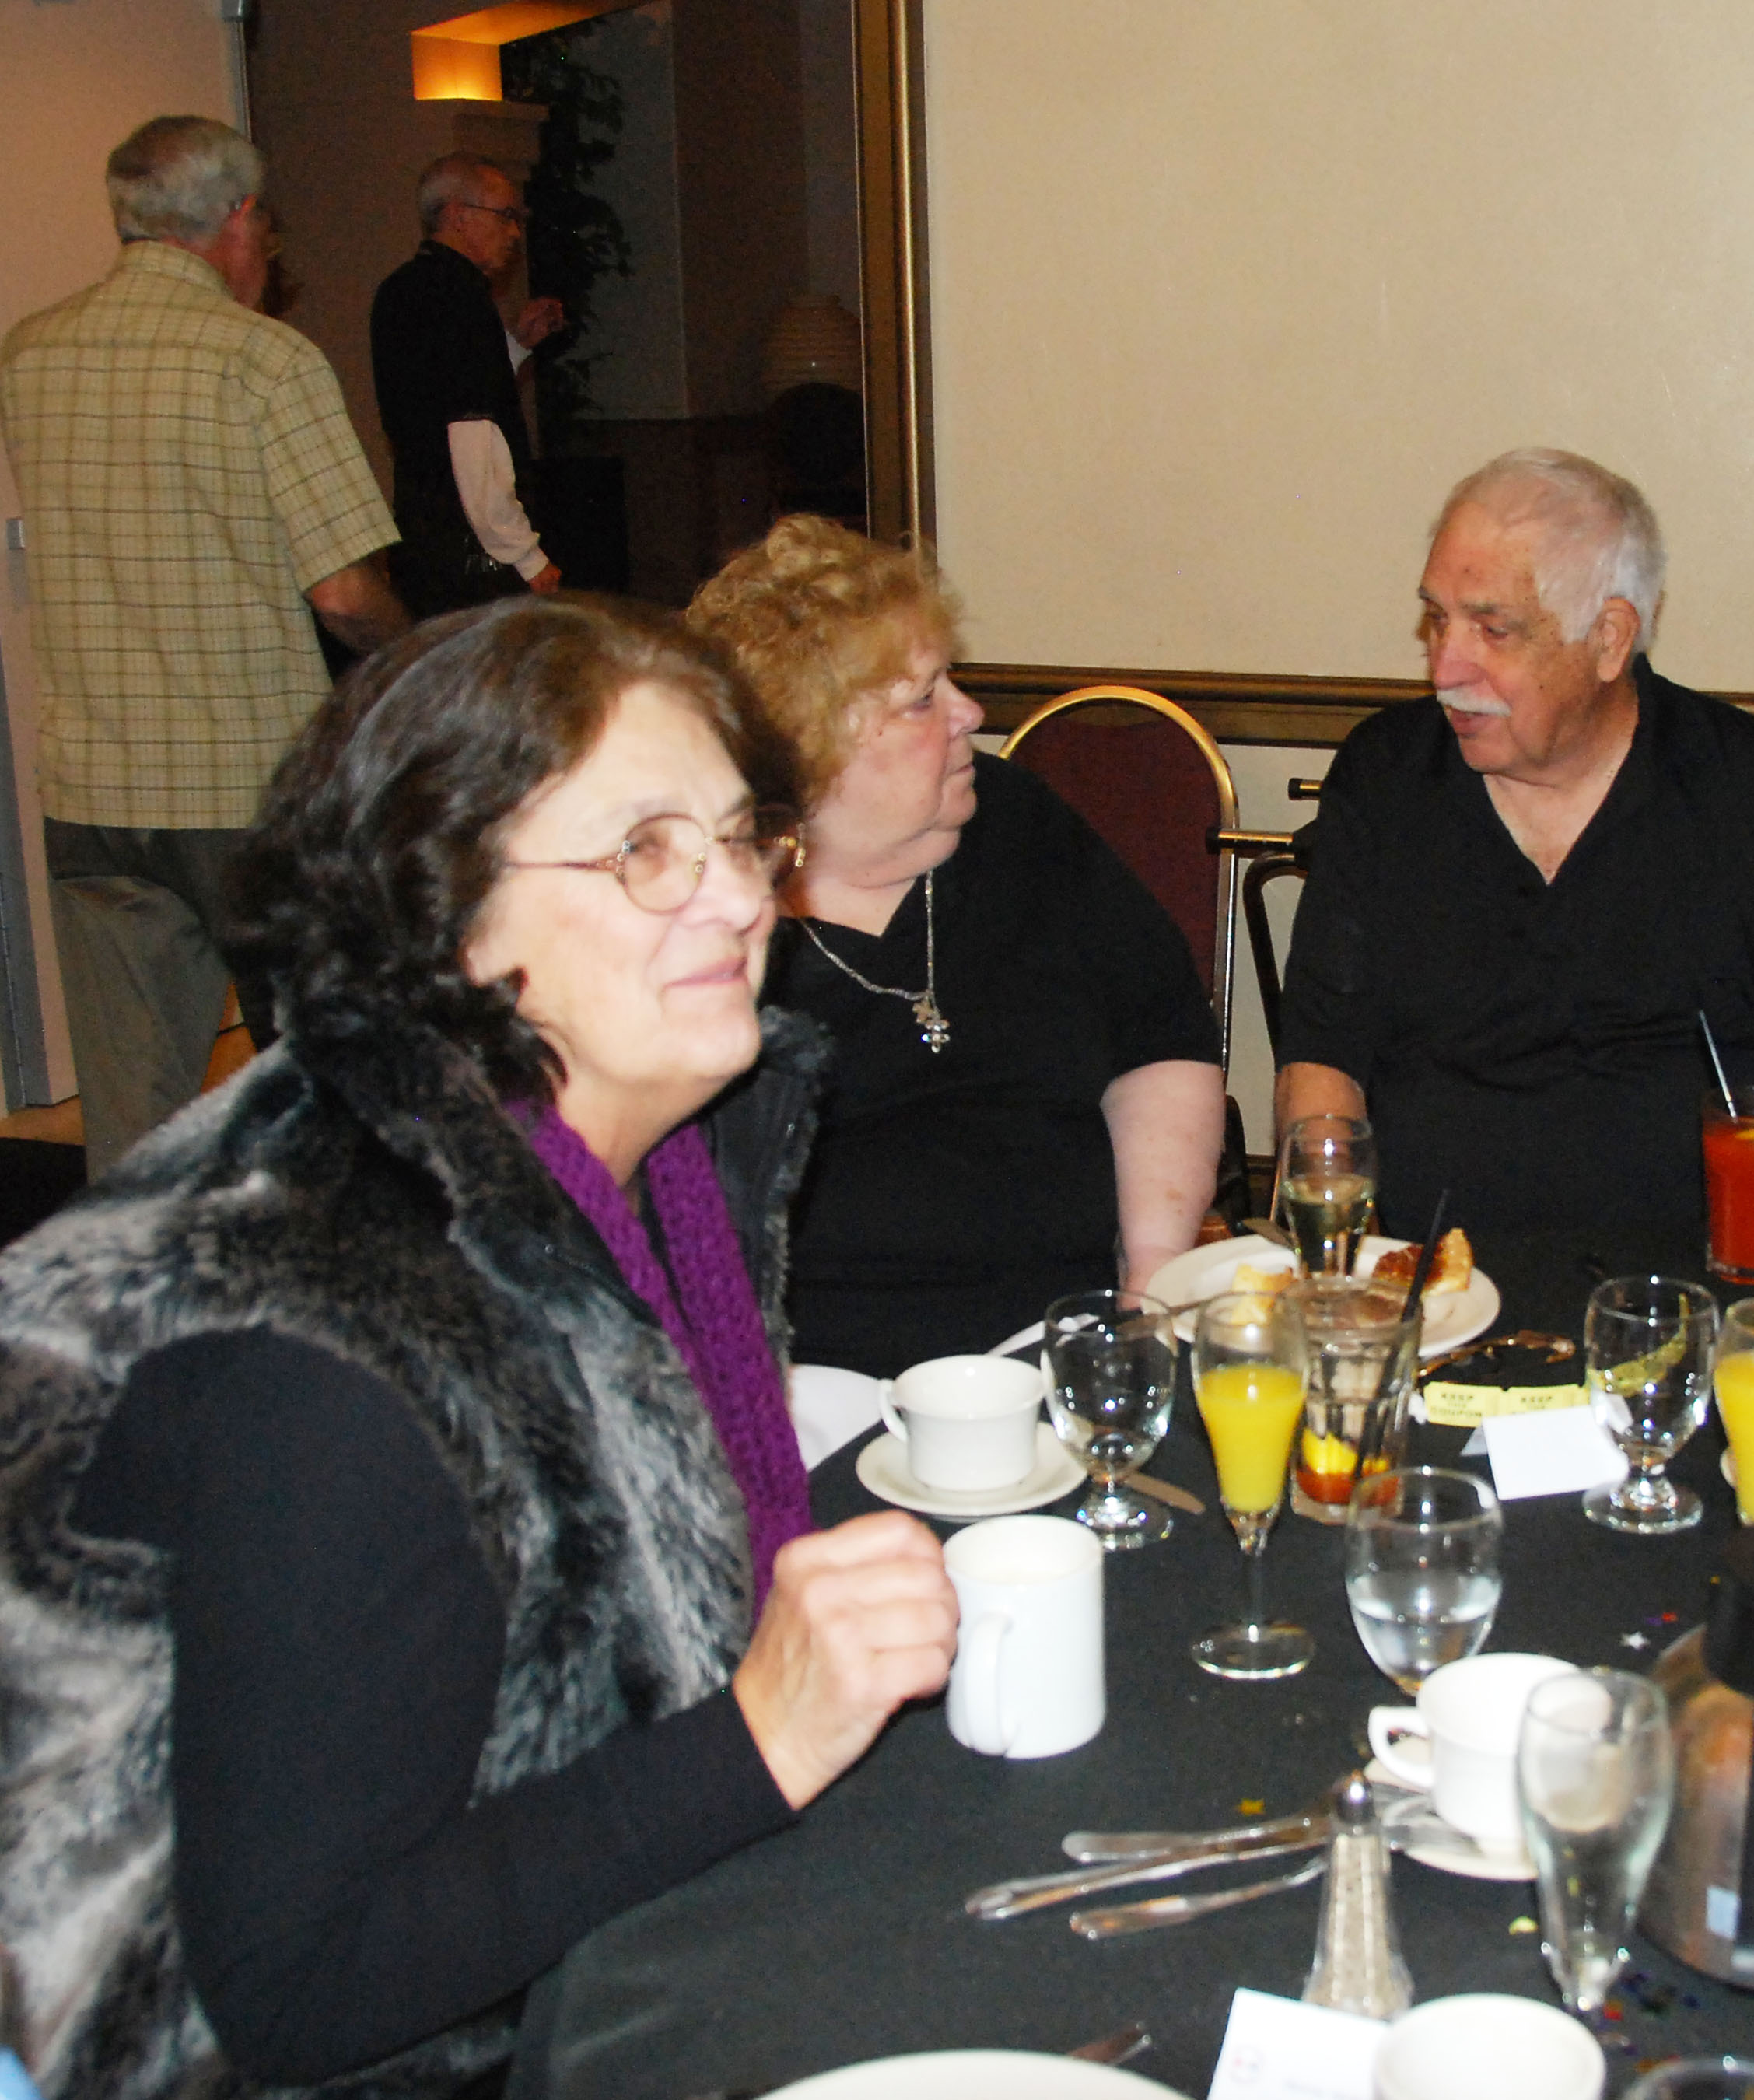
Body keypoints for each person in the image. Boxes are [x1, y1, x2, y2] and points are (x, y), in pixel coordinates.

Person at [0, 597, 959, 2094]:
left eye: (736, 835)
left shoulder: (657, 1171)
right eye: (642, 850)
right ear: (441, 912)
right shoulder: (335, 1350)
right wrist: (760, 1734)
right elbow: (298, 1991)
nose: (731, 899)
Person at [1274, 448, 1754, 1241]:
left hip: (1698, 1292)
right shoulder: (1387, 778)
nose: (1447, 665)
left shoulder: (1741, 787)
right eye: (1438, 618)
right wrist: (1343, 1266)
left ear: (1611, 638)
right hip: (1429, 1289)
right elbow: (1322, 1067)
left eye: (1493, 628)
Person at [688, 516, 1224, 1374]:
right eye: (922, 698)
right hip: (822, 1389)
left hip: (1072, 1346)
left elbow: (1160, 1035)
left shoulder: (1016, 823)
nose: (971, 712)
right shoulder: (715, 933)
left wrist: (1152, 1271)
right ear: (812, 756)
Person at [0, 115, 409, 1178]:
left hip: (91, 788)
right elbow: (342, 588)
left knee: (132, 1120)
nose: (269, 245)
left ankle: (126, 1327)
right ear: (236, 218)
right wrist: (419, 660)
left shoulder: (31, 353)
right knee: (318, 1082)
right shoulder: (264, 362)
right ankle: (310, 1307)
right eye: (265, 220)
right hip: (243, 790)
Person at [369, 152, 567, 614]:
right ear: (457, 215)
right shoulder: (458, 297)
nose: (515, 232)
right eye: (505, 216)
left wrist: (513, 347)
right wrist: (527, 556)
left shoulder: (402, 288)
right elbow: (471, 434)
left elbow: (431, 398)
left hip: (424, 538)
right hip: (473, 554)